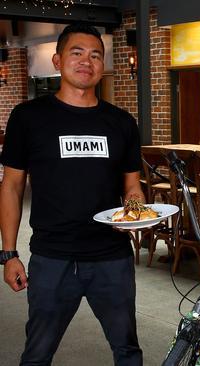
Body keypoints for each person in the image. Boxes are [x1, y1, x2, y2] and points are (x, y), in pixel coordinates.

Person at [0, 23, 144, 365]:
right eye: (77, 53)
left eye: (96, 55)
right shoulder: (29, 117)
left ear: (103, 64)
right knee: (37, 353)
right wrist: (8, 254)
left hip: (112, 258)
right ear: (57, 60)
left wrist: (136, 212)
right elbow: (11, 185)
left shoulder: (121, 122)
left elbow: (132, 186)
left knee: (127, 350)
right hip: (53, 258)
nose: (86, 61)